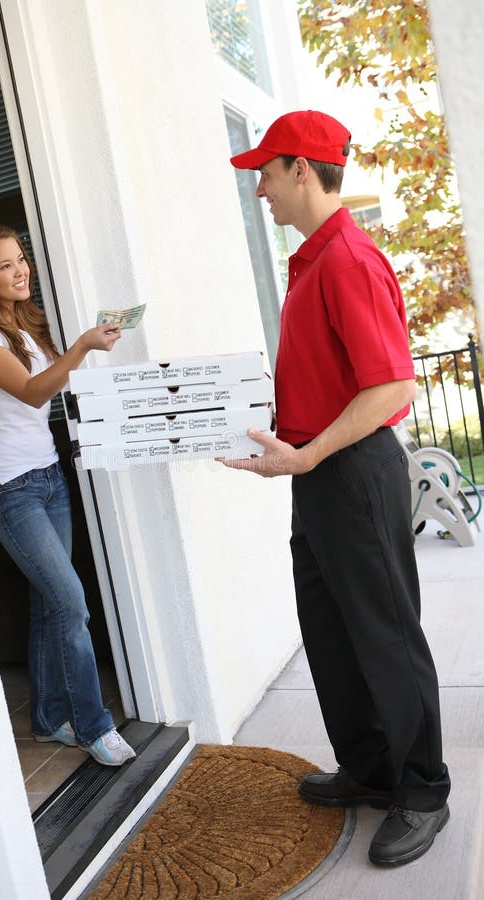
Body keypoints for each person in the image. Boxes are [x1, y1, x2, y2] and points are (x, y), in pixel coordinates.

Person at [223, 110, 451, 866]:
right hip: (319, 471)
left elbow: (389, 388)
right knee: (330, 634)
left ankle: (422, 792)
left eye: (266, 171)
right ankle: (372, 770)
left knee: (384, 636)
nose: (259, 188)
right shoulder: (310, 263)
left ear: (299, 168)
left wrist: (310, 452)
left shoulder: (348, 259)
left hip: (349, 471)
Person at [0, 222, 136, 767]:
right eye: (4, 265)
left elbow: (51, 383)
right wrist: (82, 344)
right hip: (10, 489)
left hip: (49, 476)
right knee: (70, 602)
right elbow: (34, 393)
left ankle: (47, 717)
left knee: (46, 604)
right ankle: (91, 725)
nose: (19, 270)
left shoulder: (22, 326)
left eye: (20, 259)